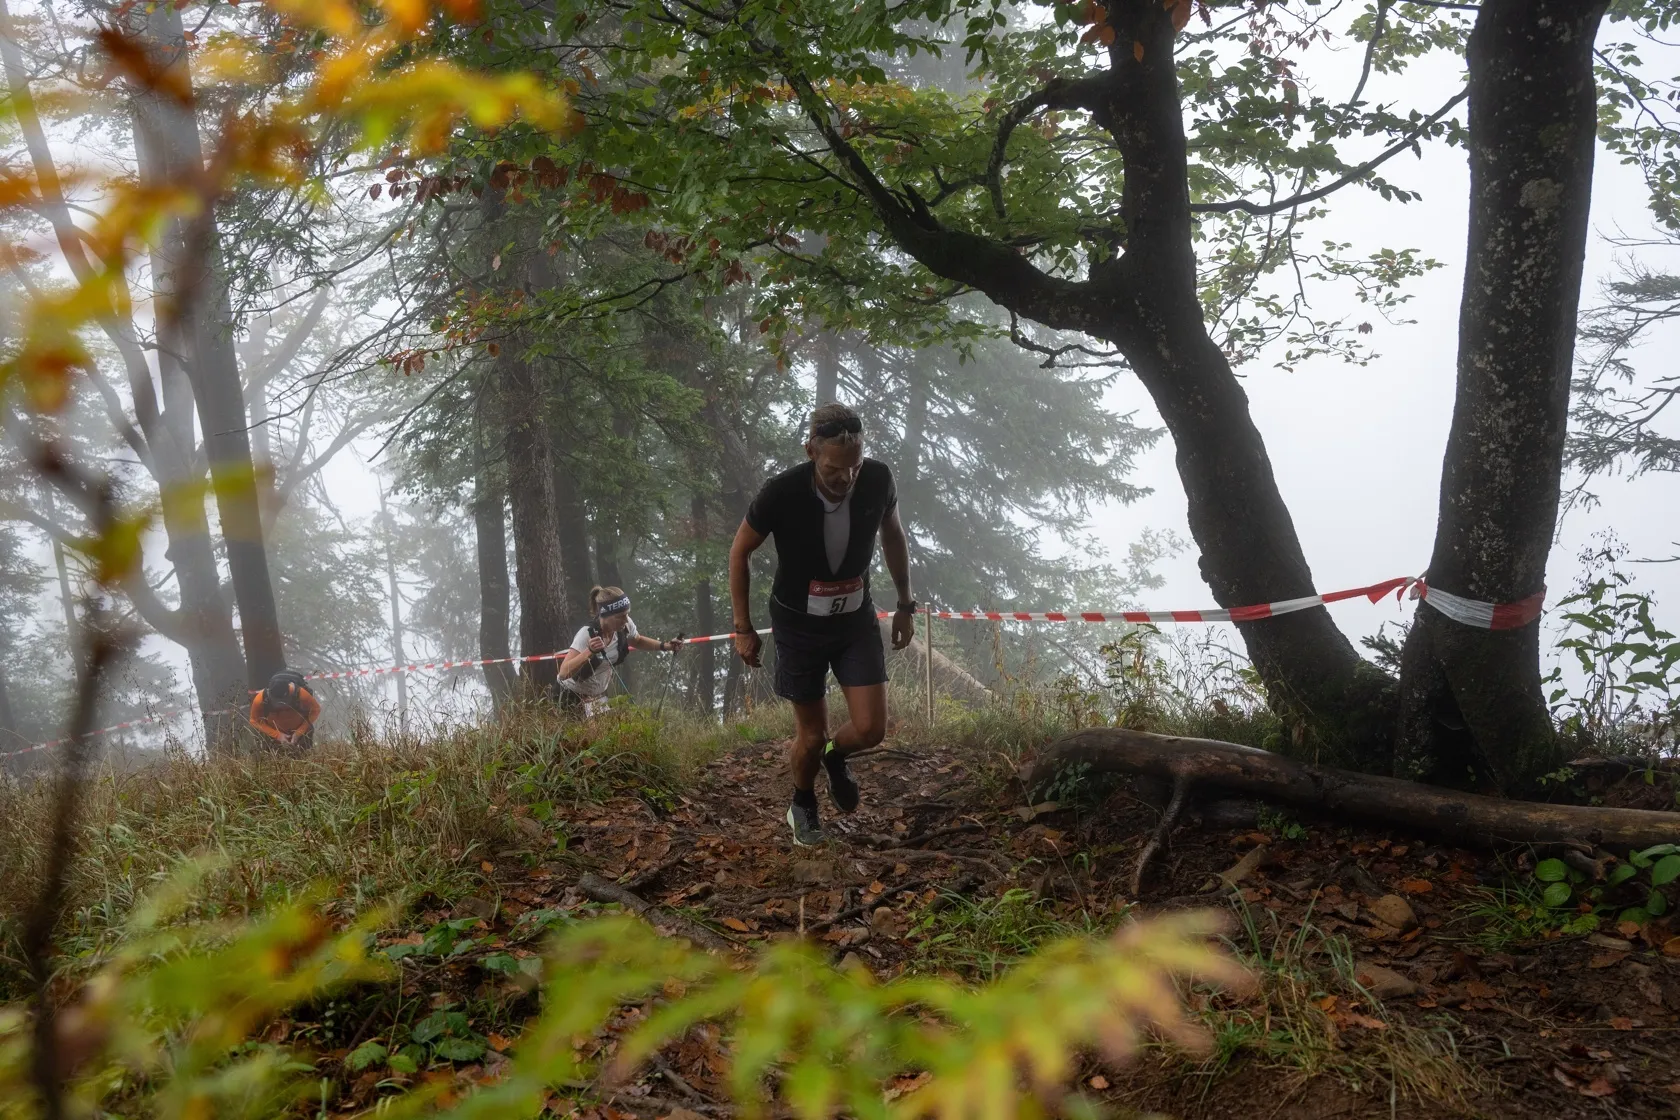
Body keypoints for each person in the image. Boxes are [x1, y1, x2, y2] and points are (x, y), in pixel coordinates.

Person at [729, 403, 916, 846]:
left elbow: (893, 535)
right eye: (834, 468)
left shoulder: (877, 479)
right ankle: (802, 803)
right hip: (798, 626)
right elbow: (740, 552)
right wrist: (743, 627)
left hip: (855, 620)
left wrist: (906, 604)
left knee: (871, 729)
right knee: (809, 736)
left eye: (853, 466)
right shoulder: (782, 492)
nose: (846, 477)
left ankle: (837, 756)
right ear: (811, 450)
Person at [555, 585, 683, 714]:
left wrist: (666, 646)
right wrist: (589, 651)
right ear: (605, 615)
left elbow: (637, 640)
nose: (626, 620)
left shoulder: (625, 625)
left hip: (597, 697)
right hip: (571, 696)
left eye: (627, 614)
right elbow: (563, 673)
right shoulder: (586, 634)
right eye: (620, 616)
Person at [250, 669, 322, 750]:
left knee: (305, 756)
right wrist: (277, 735)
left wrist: (299, 732)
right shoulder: (261, 698)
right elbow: (254, 720)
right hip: (272, 736)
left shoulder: (300, 694)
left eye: (284, 701)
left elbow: (316, 709)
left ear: (289, 693)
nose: (281, 705)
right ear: (270, 695)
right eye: (277, 702)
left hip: (301, 733)